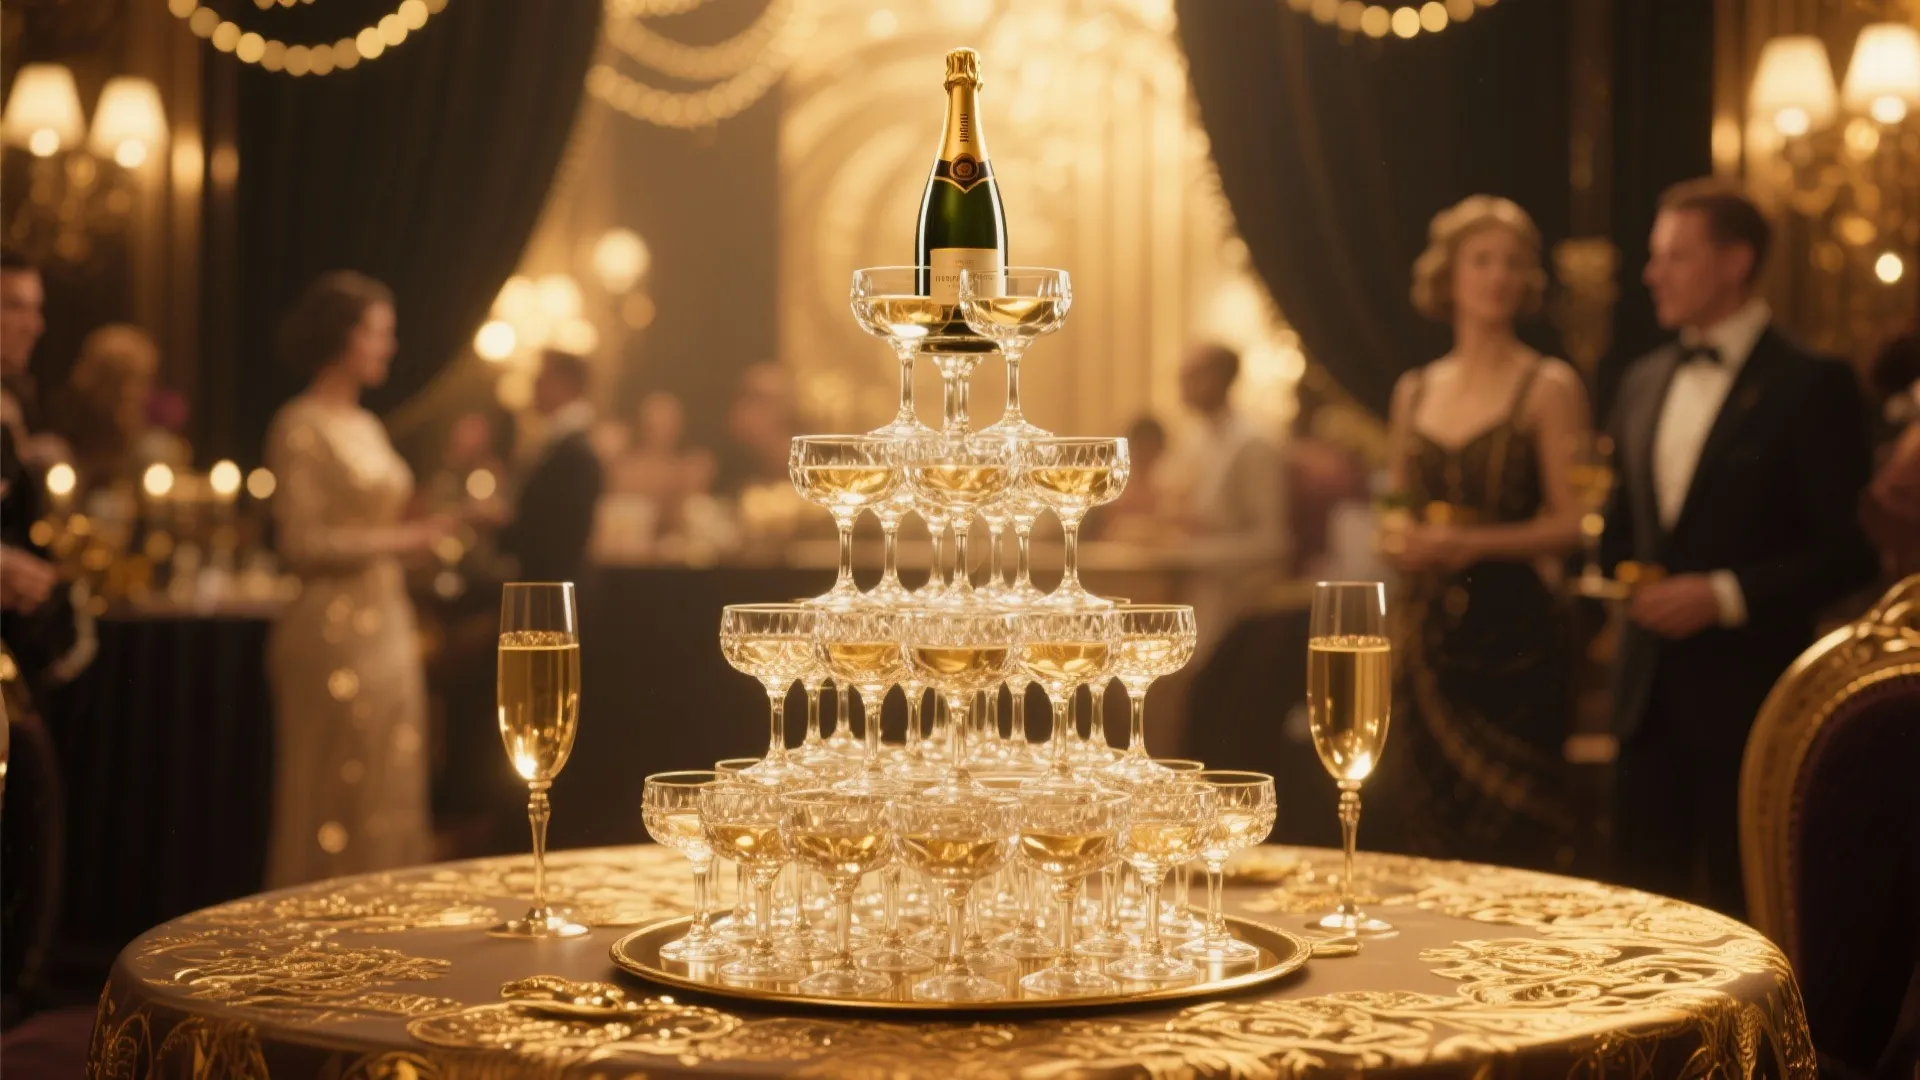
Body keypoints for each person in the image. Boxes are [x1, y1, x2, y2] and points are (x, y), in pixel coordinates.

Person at [1601, 179, 1878, 916]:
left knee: (1743, 915)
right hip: (1643, 699)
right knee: (1633, 916)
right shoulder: (1641, 380)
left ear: (1735, 262)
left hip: (1750, 703)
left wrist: (1722, 596)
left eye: (1675, 257)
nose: (1652, 274)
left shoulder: (1812, 383)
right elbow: (1625, 530)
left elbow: (1851, 554)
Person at [1380, 195, 1587, 869]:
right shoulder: (1413, 390)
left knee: (1515, 839)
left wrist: (1473, 546)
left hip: (1516, 642)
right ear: (1450, 275)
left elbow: (1573, 525)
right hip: (1423, 642)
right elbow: (1395, 506)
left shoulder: (1549, 387)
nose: (1497, 276)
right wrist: (1400, 538)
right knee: (1424, 833)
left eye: (1512, 263)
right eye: (1481, 260)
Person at [262, 271, 451, 887]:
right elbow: (300, 542)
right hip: (330, 626)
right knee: (334, 780)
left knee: (389, 770)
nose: (388, 347)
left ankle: (388, 920)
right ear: (345, 337)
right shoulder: (299, 425)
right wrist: (404, 540)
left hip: (386, 617)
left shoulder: (367, 426)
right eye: (379, 333)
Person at [1160, 343, 1288, 662]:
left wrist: (1191, 555)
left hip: (1233, 593)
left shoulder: (1253, 445)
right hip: (1193, 583)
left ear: (1221, 379)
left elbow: (1273, 543)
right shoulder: (1195, 439)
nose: (1182, 387)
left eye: (1191, 377)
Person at [495, 350, 605, 586]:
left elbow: (558, 536)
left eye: (541, 376)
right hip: (547, 584)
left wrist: (502, 525)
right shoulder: (558, 444)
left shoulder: (575, 452)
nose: (534, 383)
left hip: (555, 590)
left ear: (566, 384)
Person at [50, 324, 159, 497]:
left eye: (141, 381)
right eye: (120, 380)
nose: (132, 392)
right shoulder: (63, 440)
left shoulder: (142, 444)